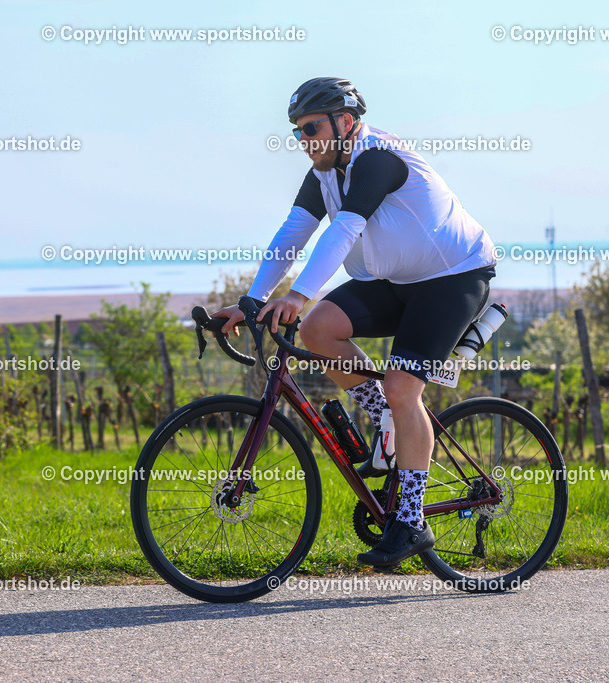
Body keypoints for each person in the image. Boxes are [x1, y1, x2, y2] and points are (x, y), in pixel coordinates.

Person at [213, 77, 497, 567]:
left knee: (403, 390)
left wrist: (299, 294)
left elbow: (346, 227)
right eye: (298, 132)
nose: (304, 141)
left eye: (311, 128)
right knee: (318, 329)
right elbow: (292, 233)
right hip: (396, 278)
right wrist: (253, 300)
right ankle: (387, 422)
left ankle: (410, 520)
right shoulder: (324, 172)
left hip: (452, 277)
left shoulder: (377, 159)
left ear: (345, 123)